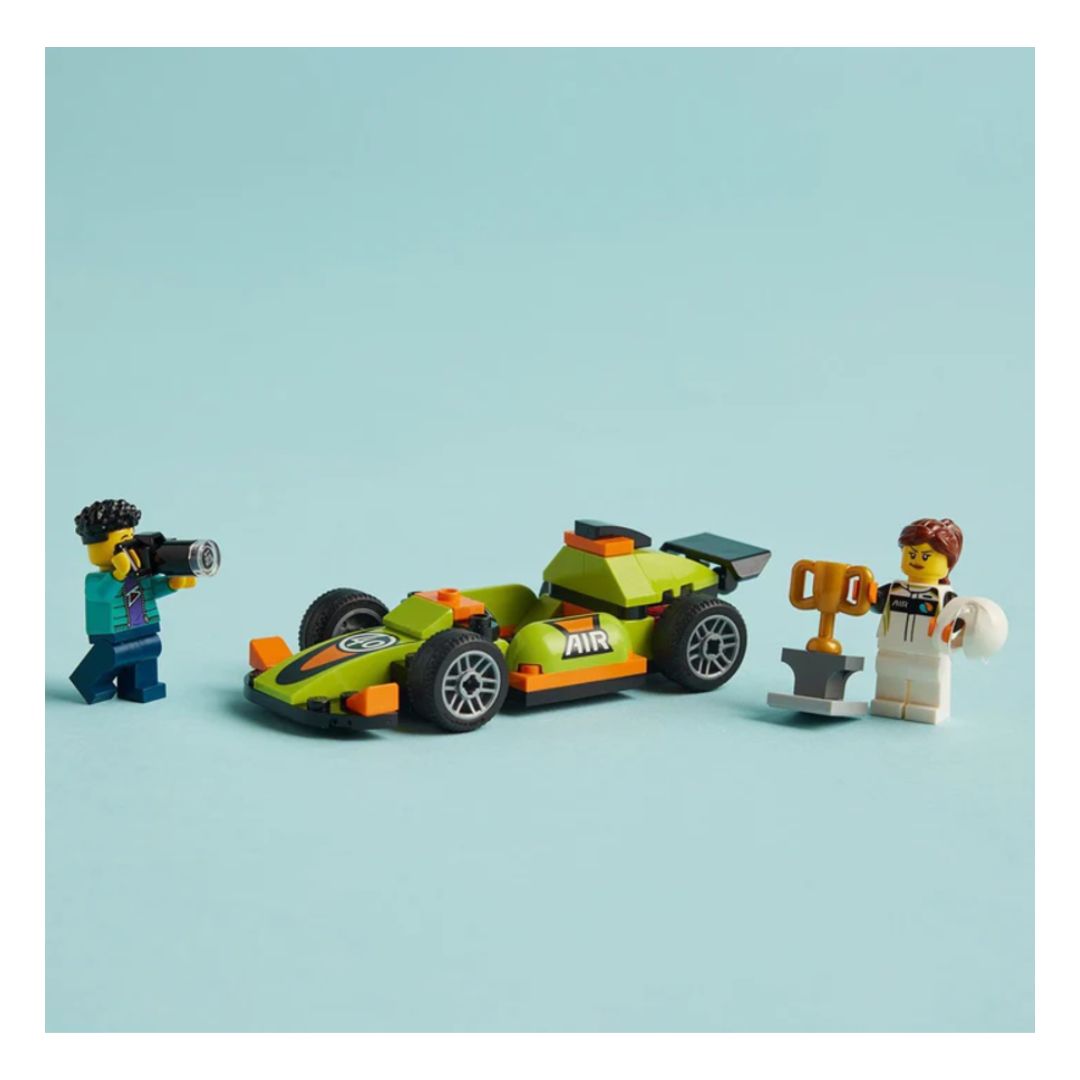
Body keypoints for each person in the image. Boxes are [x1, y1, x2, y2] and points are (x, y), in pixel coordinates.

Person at [69, 499, 195, 704]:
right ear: (94, 546)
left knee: (149, 650)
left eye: (130, 537)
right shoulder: (94, 580)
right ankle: (90, 682)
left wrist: (172, 584)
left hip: (144, 626)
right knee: (112, 656)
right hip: (112, 632)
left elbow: (150, 591)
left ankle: (141, 685)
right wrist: (118, 574)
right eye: (121, 541)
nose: (130, 546)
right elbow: (102, 595)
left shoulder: (139, 575)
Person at [869, 518, 964, 724]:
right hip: (891, 646)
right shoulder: (894, 589)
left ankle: (925, 706)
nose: (917, 560)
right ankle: (888, 701)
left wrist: (949, 629)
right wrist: (869, 596)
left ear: (948, 563)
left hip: (928, 651)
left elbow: (959, 621)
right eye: (911, 554)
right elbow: (877, 604)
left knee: (928, 678)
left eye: (926, 556)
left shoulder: (944, 595)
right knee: (889, 671)